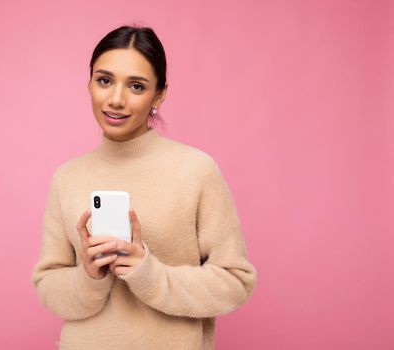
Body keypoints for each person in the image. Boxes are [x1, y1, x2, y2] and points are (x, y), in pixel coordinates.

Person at [31, 25, 257, 350]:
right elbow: (48, 283)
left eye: (136, 86)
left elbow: (236, 281)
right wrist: (89, 276)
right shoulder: (66, 177)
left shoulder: (195, 170)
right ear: (90, 82)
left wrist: (147, 273)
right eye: (104, 80)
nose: (117, 99)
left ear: (160, 94)